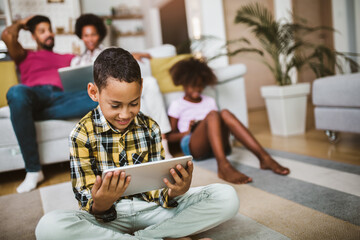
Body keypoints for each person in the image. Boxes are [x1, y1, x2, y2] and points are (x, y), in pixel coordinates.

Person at [35, 48, 239, 240]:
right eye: (115, 105)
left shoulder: (150, 127)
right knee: (49, 227)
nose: (125, 114)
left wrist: (174, 191)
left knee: (227, 197)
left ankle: (147, 236)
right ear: (94, 92)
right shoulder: (80, 134)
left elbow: (157, 191)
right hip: (107, 220)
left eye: (134, 103)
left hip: (153, 211)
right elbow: (86, 200)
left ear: (141, 87)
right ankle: (167, 235)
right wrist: (101, 203)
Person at [1, 15, 98, 193]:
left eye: (50, 30)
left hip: (63, 98)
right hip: (36, 95)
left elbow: (92, 63)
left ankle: (24, 113)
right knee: (16, 92)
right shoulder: (24, 54)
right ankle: (33, 170)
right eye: (42, 31)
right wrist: (23, 24)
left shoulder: (67, 57)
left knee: (101, 95)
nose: (49, 34)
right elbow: (6, 35)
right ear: (33, 36)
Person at [166, 57, 290, 184]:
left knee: (224, 113)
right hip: (193, 145)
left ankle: (264, 157)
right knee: (213, 115)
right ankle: (223, 165)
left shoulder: (209, 101)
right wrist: (187, 132)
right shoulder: (177, 105)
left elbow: (216, 122)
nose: (197, 89)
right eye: (193, 86)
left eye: (201, 86)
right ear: (183, 83)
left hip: (218, 144)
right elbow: (169, 137)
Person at [71, 13, 173, 159]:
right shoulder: (76, 61)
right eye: (86, 35)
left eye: (93, 34)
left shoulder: (110, 51)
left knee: (150, 82)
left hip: (117, 89)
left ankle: (163, 143)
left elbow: (123, 65)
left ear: (99, 34)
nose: (90, 39)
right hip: (92, 95)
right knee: (130, 100)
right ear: (81, 36)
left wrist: (133, 55)